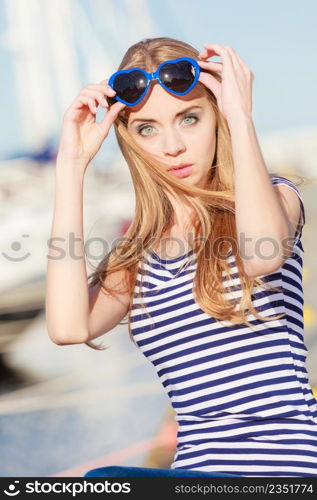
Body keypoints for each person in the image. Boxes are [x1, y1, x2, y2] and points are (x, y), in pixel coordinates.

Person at [45, 37, 317, 477]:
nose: (171, 146)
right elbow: (67, 327)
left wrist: (240, 117)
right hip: (194, 472)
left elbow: (261, 257)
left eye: (189, 118)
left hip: (286, 467)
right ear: (131, 140)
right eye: (148, 128)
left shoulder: (274, 197)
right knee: (99, 483)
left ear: (216, 117)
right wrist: (71, 165)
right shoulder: (136, 258)